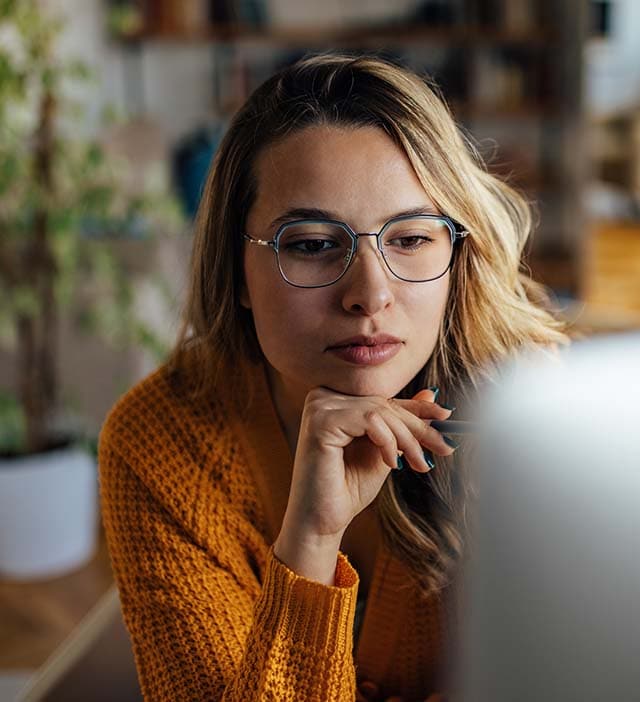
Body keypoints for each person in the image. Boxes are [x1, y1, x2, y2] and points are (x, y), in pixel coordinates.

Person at [98, 53, 568, 702]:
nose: (370, 294)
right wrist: (311, 541)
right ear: (235, 271)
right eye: (314, 243)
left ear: (457, 250)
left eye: (409, 238)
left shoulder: (532, 412)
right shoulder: (163, 443)